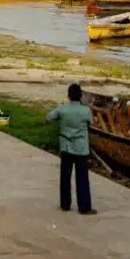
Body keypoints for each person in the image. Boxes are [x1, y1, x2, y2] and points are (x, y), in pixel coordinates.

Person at [47, 84, 96, 215]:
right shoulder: (85, 110)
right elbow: (91, 123)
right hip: (81, 148)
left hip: (66, 147)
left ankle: (65, 204)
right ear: (80, 96)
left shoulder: (62, 109)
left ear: (68, 95)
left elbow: (49, 117)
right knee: (82, 178)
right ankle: (84, 207)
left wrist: (59, 108)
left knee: (65, 177)